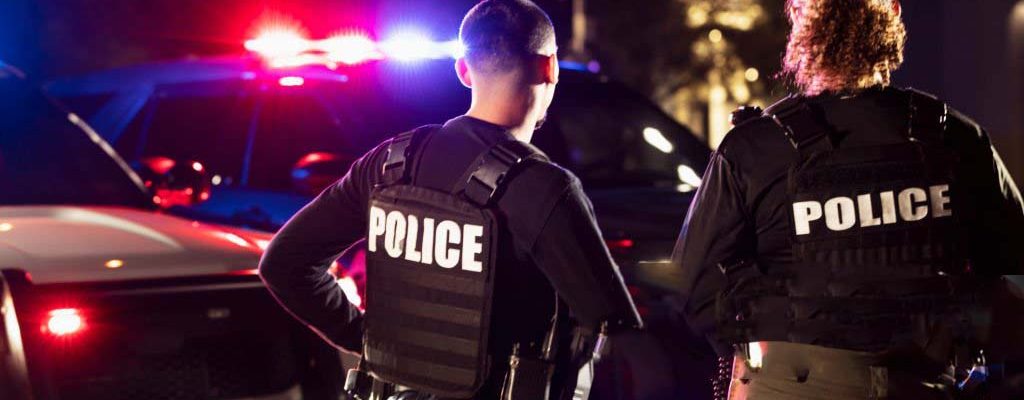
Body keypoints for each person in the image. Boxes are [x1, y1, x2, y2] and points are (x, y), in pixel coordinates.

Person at [258, 1, 641, 399]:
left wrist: (369, 339)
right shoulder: (545, 187)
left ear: (463, 70)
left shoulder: (390, 164)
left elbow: (284, 262)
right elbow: (615, 333)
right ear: (550, 68)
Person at [672, 0, 1024, 399]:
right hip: (923, 382)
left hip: (790, 386)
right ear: (892, 14)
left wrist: (756, 349)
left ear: (801, 25)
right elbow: (1010, 261)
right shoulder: (954, 136)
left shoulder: (754, 148)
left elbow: (692, 286)